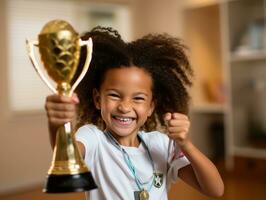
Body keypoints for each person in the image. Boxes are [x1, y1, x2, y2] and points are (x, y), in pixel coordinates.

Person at [45, 26, 224, 200]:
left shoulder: (161, 145)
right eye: (114, 95)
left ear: (151, 106)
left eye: (138, 98)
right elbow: (67, 159)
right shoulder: (93, 139)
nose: (124, 106)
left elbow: (215, 190)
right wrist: (57, 125)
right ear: (98, 99)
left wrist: (187, 145)